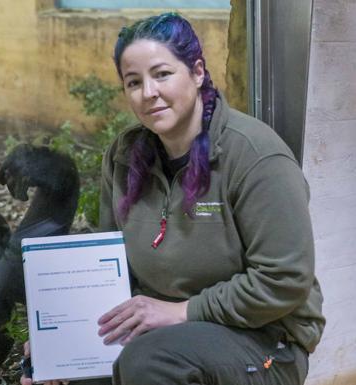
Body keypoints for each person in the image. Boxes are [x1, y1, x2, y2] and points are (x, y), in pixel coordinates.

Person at [21, 12, 324, 385]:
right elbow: (109, 272)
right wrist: (63, 341)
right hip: (165, 332)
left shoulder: (255, 155)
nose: (148, 93)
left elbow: (284, 280)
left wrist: (179, 311)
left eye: (162, 74)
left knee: (149, 361)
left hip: (265, 340)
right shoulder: (123, 155)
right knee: (70, 369)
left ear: (197, 72)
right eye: (134, 82)